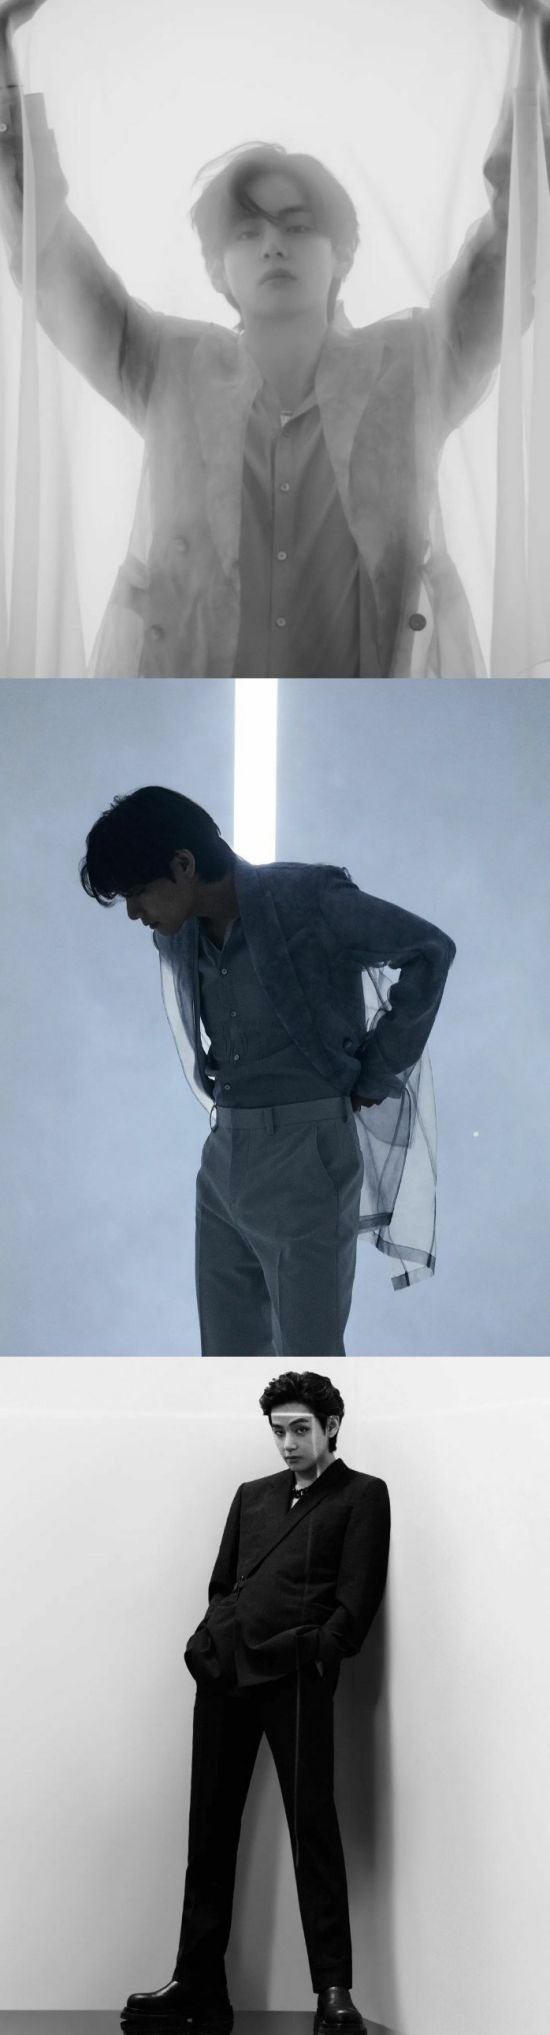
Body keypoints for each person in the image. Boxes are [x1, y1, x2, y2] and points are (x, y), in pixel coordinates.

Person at [0, 2, 549, 677]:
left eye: (297, 226)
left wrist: (537, 40)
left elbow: (512, 244)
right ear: (216, 267)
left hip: (370, 719)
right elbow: (50, 253)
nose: (273, 246)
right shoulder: (166, 366)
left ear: (342, 252)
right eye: (247, 232)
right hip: (187, 713)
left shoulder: (413, 370)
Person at [79, 788, 456, 1356]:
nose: (134, 912)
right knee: (227, 1361)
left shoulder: (308, 898)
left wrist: (376, 1071)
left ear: (183, 864)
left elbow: (429, 950)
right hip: (223, 1155)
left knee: (308, 1363)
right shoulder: (178, 934)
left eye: (136, 893)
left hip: (306, 1153)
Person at [121, 1370, 391, 2035]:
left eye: (301, 1428)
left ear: (331, 1426)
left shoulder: (362, 1494)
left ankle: (333, 1988)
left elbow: (356, 1600)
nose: (289, 1443)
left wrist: (319, 1651)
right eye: (278, 1431)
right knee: (208, 1831)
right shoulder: (252, 1495)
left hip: (294, 1676)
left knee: (313, 1831)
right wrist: (208, 1641)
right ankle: (197, 1981)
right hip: (225, 1675)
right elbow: (223, 1583)